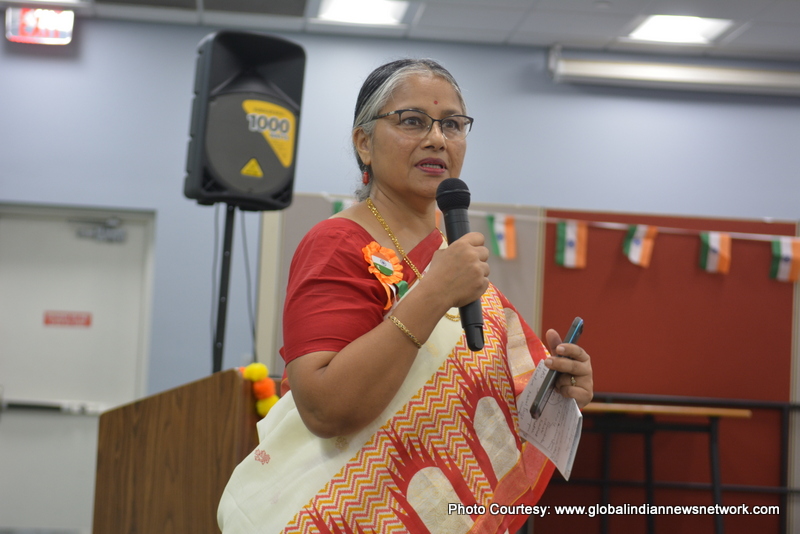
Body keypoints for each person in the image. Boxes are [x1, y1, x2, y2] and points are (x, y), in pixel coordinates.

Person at [218, 58, 594, 534]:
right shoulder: (338, 244)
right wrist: (433, 292)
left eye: (452, 124)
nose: (437, 138)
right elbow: (323, 409)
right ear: (364, 142)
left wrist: (560, 389)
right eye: (413, 121)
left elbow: (488, 411)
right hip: (340, 514)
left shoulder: (452, 258)